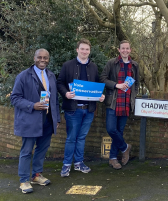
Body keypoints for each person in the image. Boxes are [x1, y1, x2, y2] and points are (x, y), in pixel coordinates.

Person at [11, 49, 60, 194]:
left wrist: (56, 118)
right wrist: (32, 105)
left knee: (42, 149)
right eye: (40, 57)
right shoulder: (23, 76)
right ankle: (24, 180)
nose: (43, 60)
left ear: (48, 59)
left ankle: (36, 175)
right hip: (30, 120)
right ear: (34, 58)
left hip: (47, 120)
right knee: (26, 151)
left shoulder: (51, 75)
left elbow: (55, 99)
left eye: (45, 58)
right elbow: (14, 98)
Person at [57, 39, 105, 177]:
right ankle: (66, 165)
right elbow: (59, 83)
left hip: (88, 109)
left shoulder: (94, 67)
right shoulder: (68, 65)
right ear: (77, 50)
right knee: (71, 138)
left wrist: (100, 96)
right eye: (82, 49)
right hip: (73, 109)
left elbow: (96, 87)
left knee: (82, 137)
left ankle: (78, 163)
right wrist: (66, 93)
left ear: (90, 51)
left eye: (87, 49)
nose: (85, 52)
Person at [100, 40, 139, 170]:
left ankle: (113, 158)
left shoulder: (135, 65)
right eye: (123, 48)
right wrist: (117, 85)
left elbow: (137, 83)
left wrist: (133, 95)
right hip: (113, 101)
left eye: (127, 48)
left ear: (130, 50)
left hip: (126, 102)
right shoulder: (112, 63)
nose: (125, 51)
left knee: (119, 131)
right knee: (111, 129)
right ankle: (125, 147)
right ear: (119, 50)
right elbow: (103, 79)